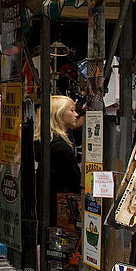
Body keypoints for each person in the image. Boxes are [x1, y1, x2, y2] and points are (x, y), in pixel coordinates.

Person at [41, 95, 82, 225]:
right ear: (59, 114)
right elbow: (74, 181)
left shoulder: (49, 142)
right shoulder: (60, 147)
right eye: (72, 110)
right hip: (58, 210)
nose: (76, 114)